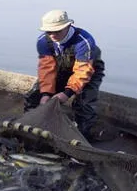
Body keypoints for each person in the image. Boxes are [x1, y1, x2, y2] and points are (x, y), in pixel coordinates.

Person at [26, 9, 106, 141]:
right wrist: (46, 93)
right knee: (34, 95)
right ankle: (33, 129)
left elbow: (82, 72)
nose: (52, 35)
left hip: (88, 71)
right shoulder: (43, 41)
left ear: (68, 26)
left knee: (84, 104)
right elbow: (47, 68)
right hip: (60, 68)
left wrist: (67, 93)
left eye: (57, 31)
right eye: (49, 31)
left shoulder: (84, 41)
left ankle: (81, 137)